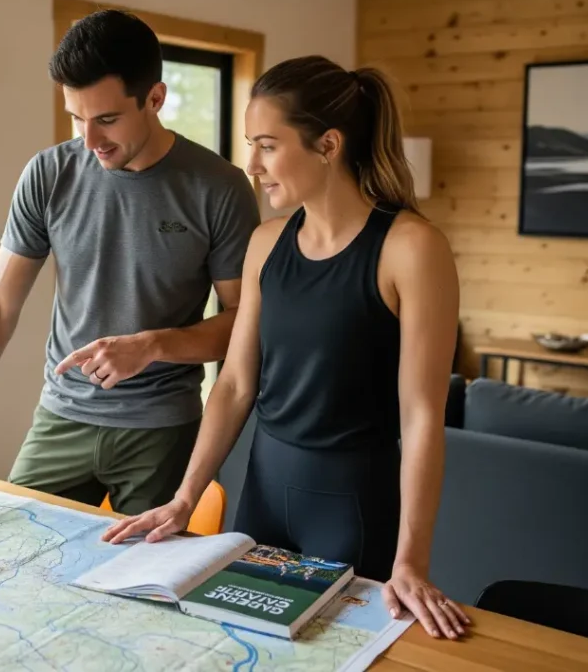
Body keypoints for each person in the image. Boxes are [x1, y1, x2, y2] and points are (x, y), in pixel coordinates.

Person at [102, 55, 472, 641]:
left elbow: (423, 415)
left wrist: (411, 563)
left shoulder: (411, 247)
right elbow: (234, 383)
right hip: (263, 496)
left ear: (327, 144)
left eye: (268, 146)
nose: (252, 166)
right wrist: (184, 498)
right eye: (252, 145)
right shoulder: (265, 243)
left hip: (353, 507)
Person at [0, 10, 261, 516]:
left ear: (155, 98)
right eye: (76, 117)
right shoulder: (49, 173)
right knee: (12, 557)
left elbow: (243, 325)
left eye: (106, 119)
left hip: (162, 428)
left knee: (141, 583)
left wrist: (152, 345)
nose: (89, 140)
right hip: (61, 417)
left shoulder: (219, 187)